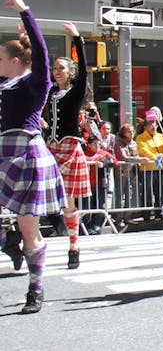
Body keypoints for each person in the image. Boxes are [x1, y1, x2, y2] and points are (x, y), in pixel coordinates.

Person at [0, 0, 65, 314]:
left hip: (26, 155)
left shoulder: (35, 84)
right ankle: (7, 241)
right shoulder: (3, 85)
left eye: (0, 58)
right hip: (3, 153)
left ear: (14, 61)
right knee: (20, 230)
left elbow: (40, 51)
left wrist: (25, 11)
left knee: (30, 229)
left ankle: (35, 289)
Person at [41, 21, 90, 269]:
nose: (56, 71)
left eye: (61, 68)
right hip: (51, 147)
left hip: (69, 148)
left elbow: (85, 71)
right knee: (39, 191)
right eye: (55, 68)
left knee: (69, 202)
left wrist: (77, 39)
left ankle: (74, 246)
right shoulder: (50, 92)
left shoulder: (76, 91)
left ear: (70, 72)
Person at [135, 111, 163, 218]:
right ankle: (146, 213)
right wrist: (156, 158)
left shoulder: (160, 136)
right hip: (148, 169)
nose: (153, 127)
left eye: (155, 124)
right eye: (151, 125)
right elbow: (143, 151)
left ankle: (159, 211)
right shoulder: (140, 138)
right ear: (145, 127)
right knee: (147, 191)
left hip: (161, 168)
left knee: (161, 191)